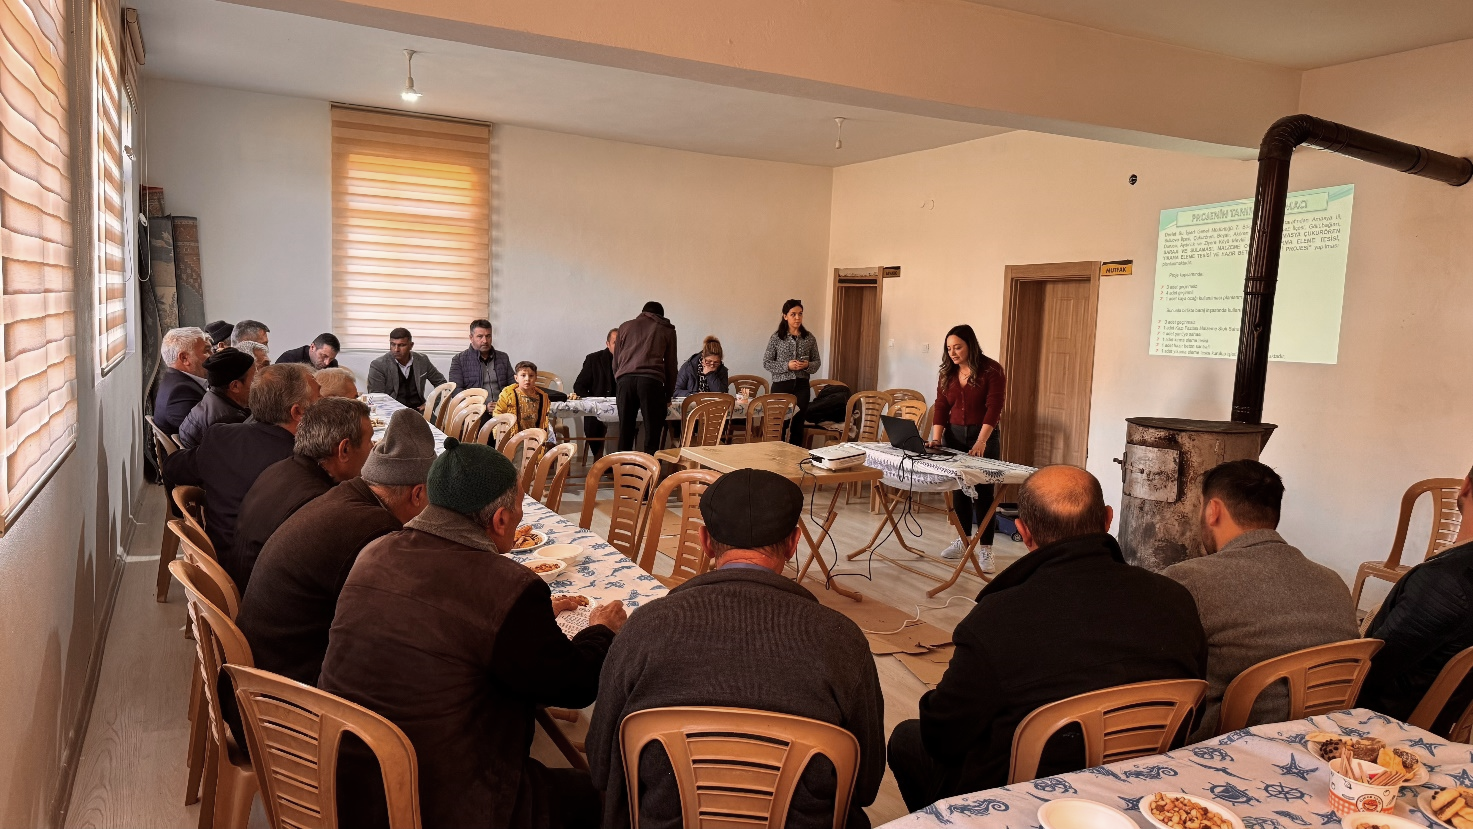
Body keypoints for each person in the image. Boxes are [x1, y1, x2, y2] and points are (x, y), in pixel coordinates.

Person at [320, 438, 627, 829]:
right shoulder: (506, 584)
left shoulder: (375, 552)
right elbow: (573, 685)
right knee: (610, 798)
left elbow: (443, 622)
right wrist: (600, 629)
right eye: (517, 511)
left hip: (346, 781)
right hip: (441, 800)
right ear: (500, 520)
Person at [886, 465, 1206, 811]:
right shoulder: (1175, 599)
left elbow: (942, 739)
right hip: (1146, 787)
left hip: (1026, 802)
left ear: (1023, 532)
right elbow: (1195, 709)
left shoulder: (996, 620)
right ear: (1108, 519)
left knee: (908, 738)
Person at [587, 468, 885, 829]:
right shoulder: (844, 640)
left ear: (705, 542)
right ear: (793, 543)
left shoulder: (643, 629)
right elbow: (865, 783)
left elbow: (601, 764)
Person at [1162, 460, 1358, 740]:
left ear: (1213, 510)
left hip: (1228, 746)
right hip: (1325, 740)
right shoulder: (1333, 581)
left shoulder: (1188, 580)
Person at [237, 408, 435, 685]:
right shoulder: (376, 528)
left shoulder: (345, 494)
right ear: (417, 493)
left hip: (258, 667)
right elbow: (395, 624)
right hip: (282, 696)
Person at [163, 364, 321, 569]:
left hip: (222, 564)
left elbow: (172, 467)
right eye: (321, 398)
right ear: (297, 412)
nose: (325, 404)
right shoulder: (305, 462)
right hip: (266, 575)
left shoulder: (222, 437)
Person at [1360, 464, 1473, 727]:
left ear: (1465, 486)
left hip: (1385, 732)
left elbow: (1370, 671)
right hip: (1446, 723)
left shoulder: (1444, 581)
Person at [230, 397, 374, 592]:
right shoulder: (318, 503)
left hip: (246, 585)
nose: (373, 449)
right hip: (269, 604)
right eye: (369, 441)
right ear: (344, 449)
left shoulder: (282, 467)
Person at [926, 324, 1007, 568]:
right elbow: (941, 406)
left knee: (984, 494)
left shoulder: (992, 370)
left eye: (958, 347)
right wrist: (937, 438)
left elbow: (994, 408)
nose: (953, 352)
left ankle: (986, 550)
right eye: (949, 348)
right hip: (954, 436)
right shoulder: (947, 373)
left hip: (983, 436)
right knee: (958, 490)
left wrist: (982, 441)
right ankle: (963, 540)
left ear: (970, 345)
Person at [613, 302, 678, 455]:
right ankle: (649, 474)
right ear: (661, 316)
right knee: (652, 431)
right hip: (650, 382)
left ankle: (622, 471)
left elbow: (616, 361)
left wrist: (620, 382)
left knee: (625, 430)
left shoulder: (625, 326)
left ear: (642, 313)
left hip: (625, 380)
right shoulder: (666, 329)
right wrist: (668, 394)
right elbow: (670, 364)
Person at [763, 299, 821, 446]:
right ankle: (776, 458)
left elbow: (817, 362)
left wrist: (807, 365)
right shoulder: (776, 338)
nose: (797, 318)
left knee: (797, 425)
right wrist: (786, 366)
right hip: (781, 386)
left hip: (802, 386)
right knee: (779, 425)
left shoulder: (809, 338)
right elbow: (767, 362)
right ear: (785, 316)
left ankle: (795, 460)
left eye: (800, 314)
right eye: (793, 314)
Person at [177, 348, 255, 450]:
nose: (258, 384)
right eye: (254, 379)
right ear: (235, 386)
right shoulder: (230, 419)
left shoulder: (211, 396)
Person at [366, 327, 447, 410]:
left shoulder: (422, 360)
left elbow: (442, 384)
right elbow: (376, 397)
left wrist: (430, 404)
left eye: (401, 345)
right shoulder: (378, 365)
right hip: (392, 412)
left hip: (418, 410)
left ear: (411, 345)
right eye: (393, 344)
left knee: (434, 423)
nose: (396, 349)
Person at [153, 326, 211, 434]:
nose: (212, 356)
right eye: (207, 350)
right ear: (184, 358)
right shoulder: (180, 392)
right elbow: (209, 435)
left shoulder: (172, 378)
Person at [573, 328, 618, 461]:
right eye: (616, 343)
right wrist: (593, 402)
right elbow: (579, 386)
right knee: (597, 423)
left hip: (621, 410)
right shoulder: (594, 359)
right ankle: (601, 461)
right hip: (597, 409)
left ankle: (615, 463)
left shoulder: (632, 361)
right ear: (607, 344)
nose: (620, 347)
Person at [448, 319, 514, 396]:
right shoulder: (459, 360)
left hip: (502, 405)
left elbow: (513, 386)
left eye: (488, 336)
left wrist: (503, 404)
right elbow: (456, 392)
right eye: (480, 336)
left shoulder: (503, 357)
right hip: (474, 406)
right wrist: (482, 405)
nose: (485, 341)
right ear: (471, 338)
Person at [493, 361, 553, 435]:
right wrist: (500, 434)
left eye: (531, 376)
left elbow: (545, 418)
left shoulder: (543, 397)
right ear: (516, 378)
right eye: (523, 375)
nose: (527, 379)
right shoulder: (508, 395)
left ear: (536, 378)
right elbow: (498, 414)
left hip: (534, 436)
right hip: (513, 437)